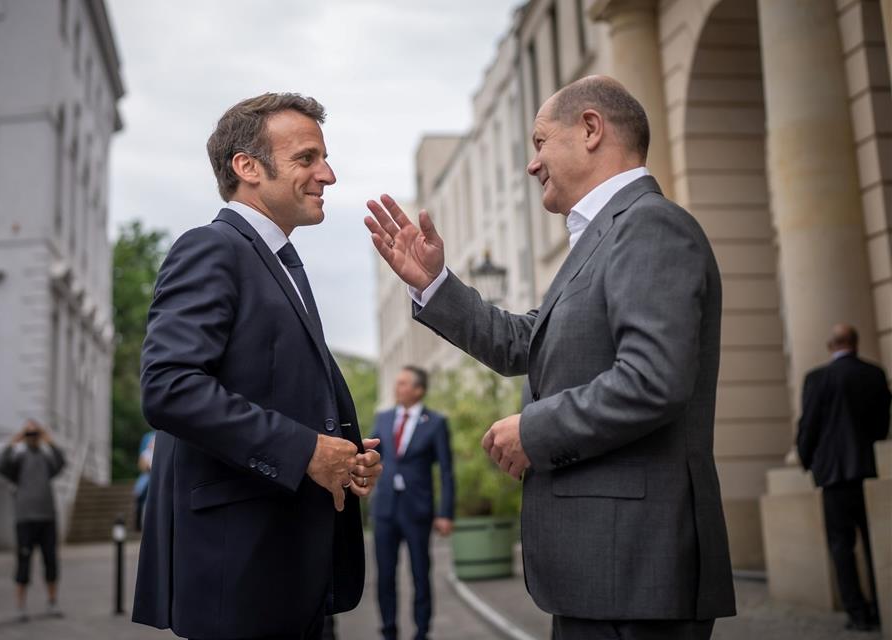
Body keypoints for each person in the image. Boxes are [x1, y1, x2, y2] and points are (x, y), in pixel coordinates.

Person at [365, 75, 736, 640]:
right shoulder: (604, 238)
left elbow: (653, 380)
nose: (532, 165)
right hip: (608, 573)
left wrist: (532, 432)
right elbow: (525, 343)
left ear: (590, 129)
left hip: (637, 569)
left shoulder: (650, 226)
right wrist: (435, 284)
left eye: (539, 142)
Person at [132, 92, 383, 640]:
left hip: (291, 570)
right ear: (246, 168)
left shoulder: (277, 261)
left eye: (325, 157)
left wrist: (341, 454)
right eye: (307, 158)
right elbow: (169, 388)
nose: (329, 174)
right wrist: (306, 451)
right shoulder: (212, 248)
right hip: (242, 576)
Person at [797, 323, 891, 632]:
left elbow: (808, 425)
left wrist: (807, 459)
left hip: (835, 475)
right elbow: (881, 426)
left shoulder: (818, 378)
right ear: (856, 342)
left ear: (830, 345)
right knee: (875, 544)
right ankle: (881, 607)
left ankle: (858, 614)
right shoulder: (875, 374)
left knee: (841, 546)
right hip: (869, 470)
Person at [370, 365, 454, 640]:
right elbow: (371, 456)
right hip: (384, 510)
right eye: (397, 382)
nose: (398, 388)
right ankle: (388, 631)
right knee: (385, 576)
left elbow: (445, 471)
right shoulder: (383, 419)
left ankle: (421, 632)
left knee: (420, 574)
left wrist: (445, 513)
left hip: (417, 510)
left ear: (419, 390)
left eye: (404, 383)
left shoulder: (435, 422)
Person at [0, 420, 66, 621]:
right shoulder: (18, 459)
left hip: (47, 518)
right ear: (24, 436)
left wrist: (49, 440)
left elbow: (61, 462)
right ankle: (21, 606)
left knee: (51, 561)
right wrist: (14, 441)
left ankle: (52, 602)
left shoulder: (46, 459)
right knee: (23, 562)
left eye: (35, 434)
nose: (33, 437)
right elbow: (2, 465)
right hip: (25, 518)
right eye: (30, 434)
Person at [133, 431, 155, 531]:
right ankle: (138, 524)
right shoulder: (146, 451)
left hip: (157, 475)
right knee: (140, 494)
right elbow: (141, 464)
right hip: (148, 475)